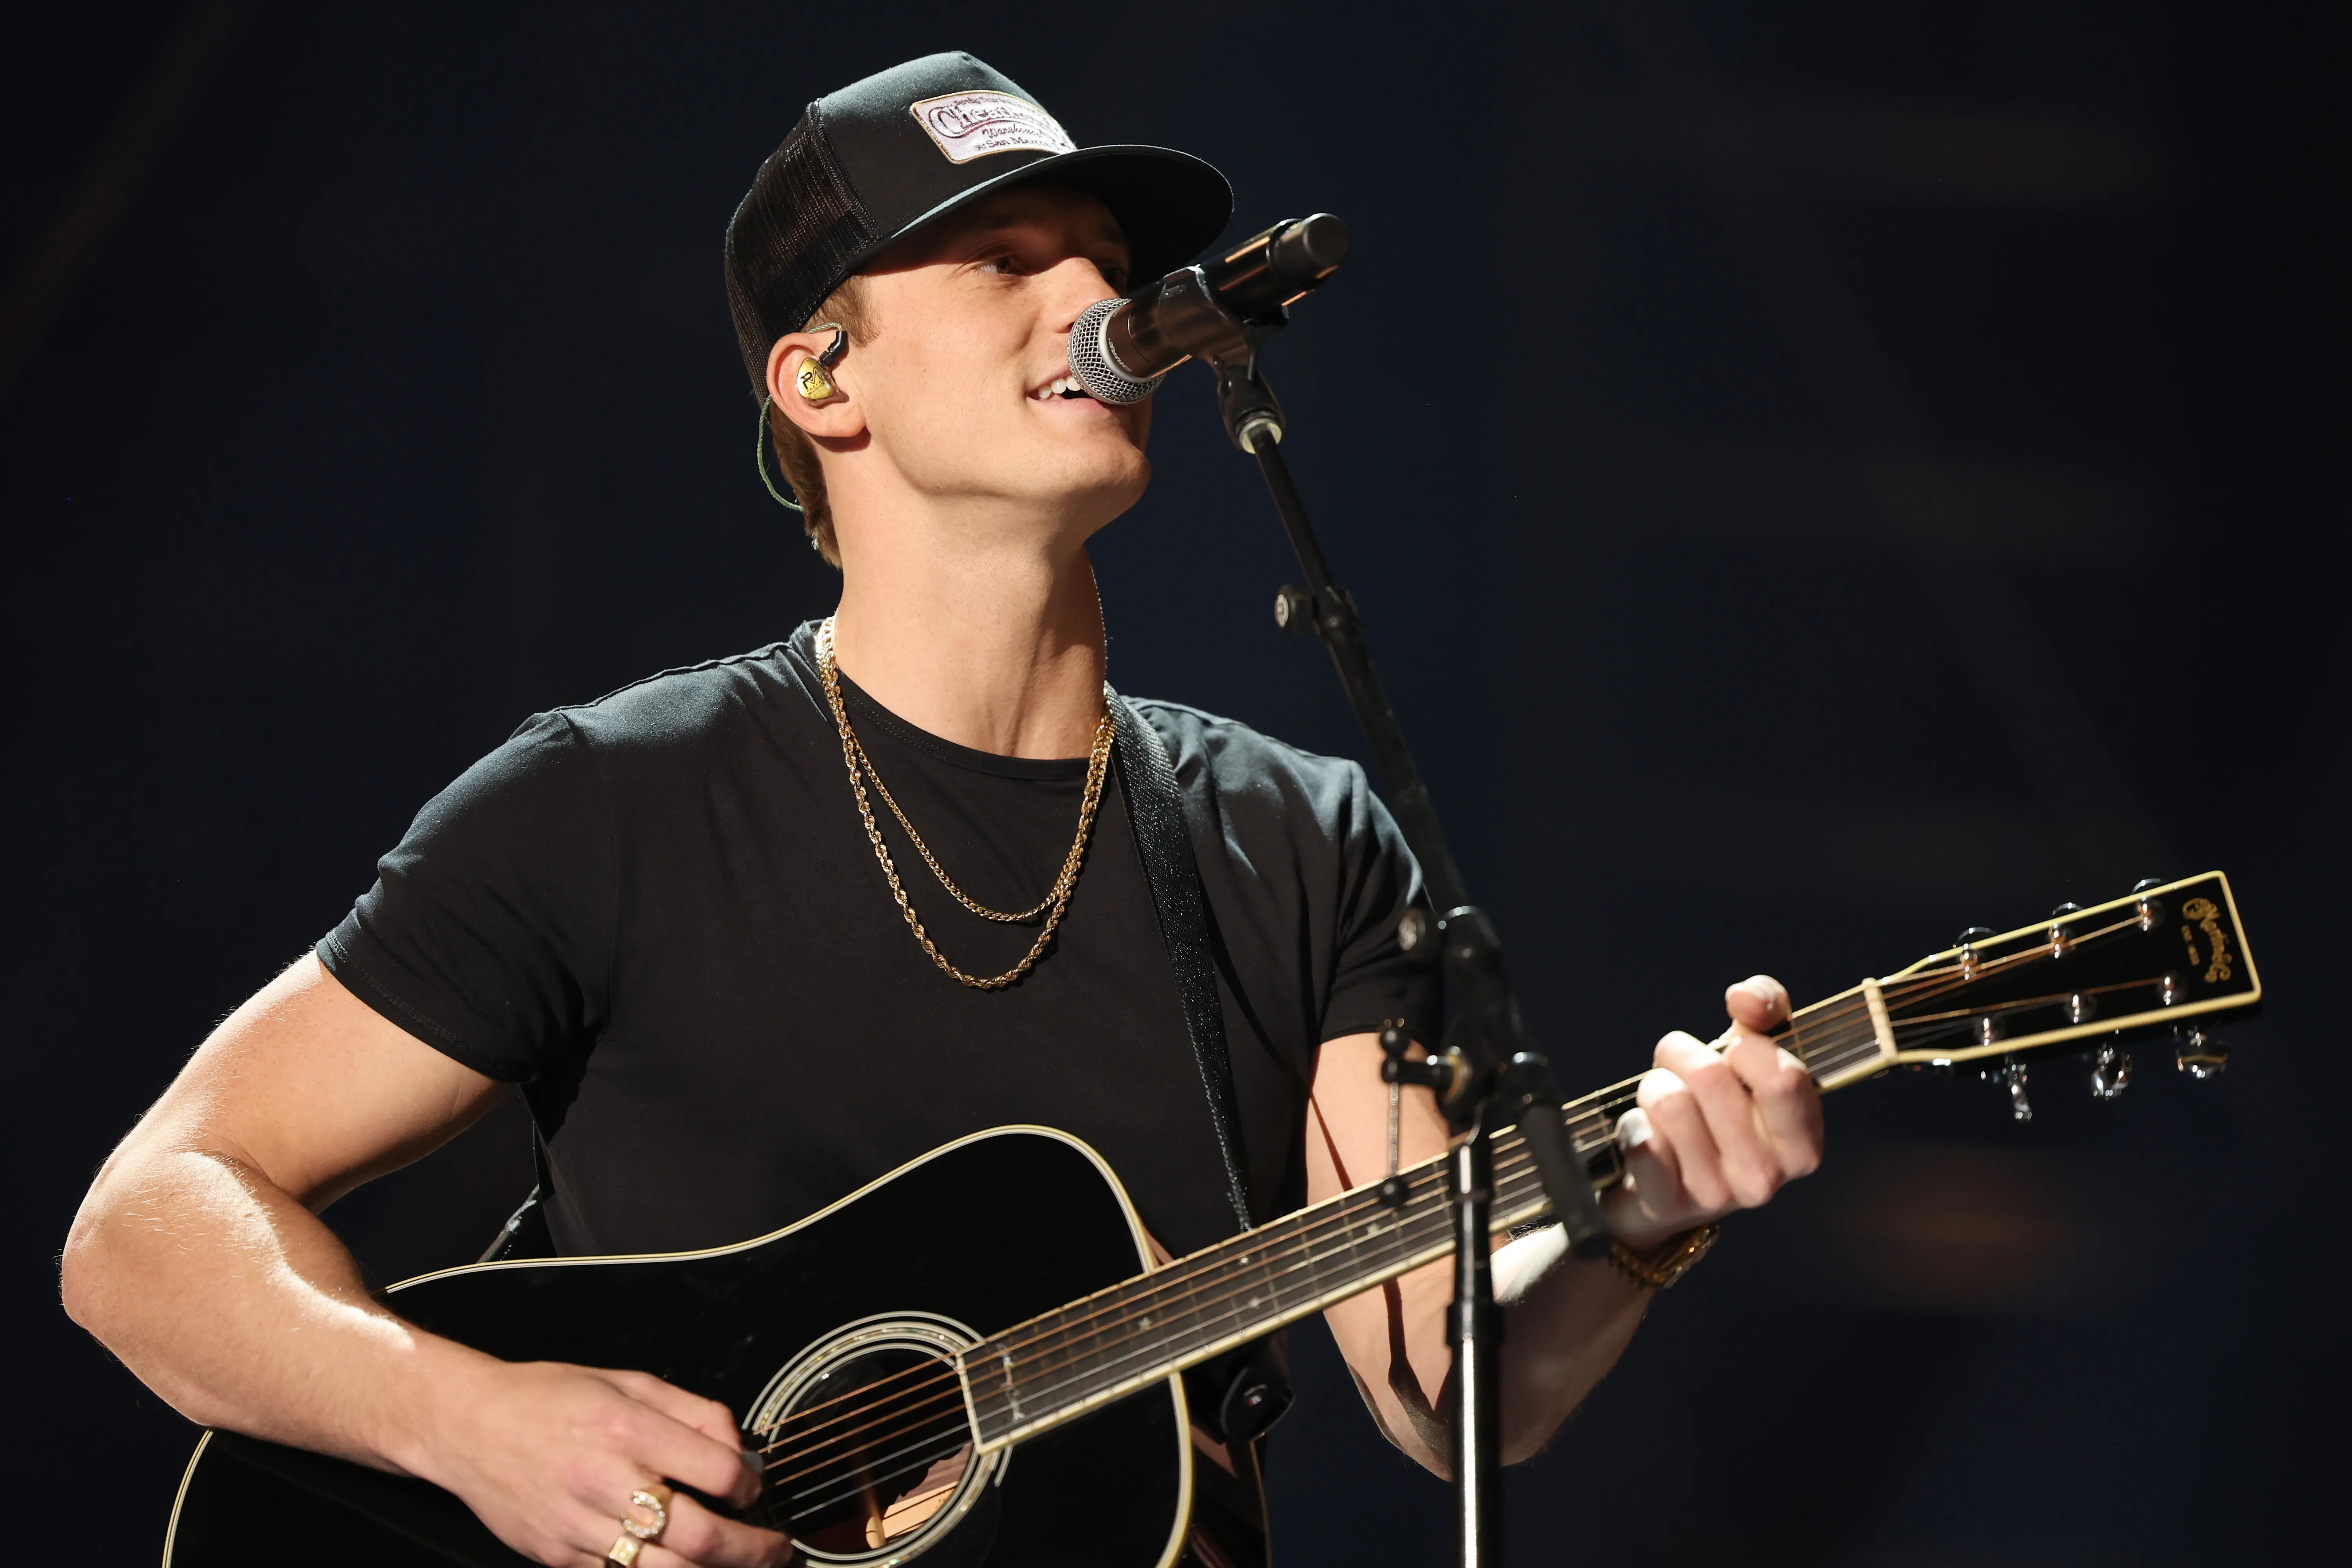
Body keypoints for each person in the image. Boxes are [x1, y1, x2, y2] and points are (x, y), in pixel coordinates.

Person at [61, 53, 1823, 1568]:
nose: (1091, 302)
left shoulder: (1294, 838)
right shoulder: (612, 803)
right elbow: (147, 1226)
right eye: (1001, 260)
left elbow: (1443, 1385)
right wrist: (471, 1423)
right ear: (823, 382)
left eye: (1110, 262)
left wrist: (1647, 1222)